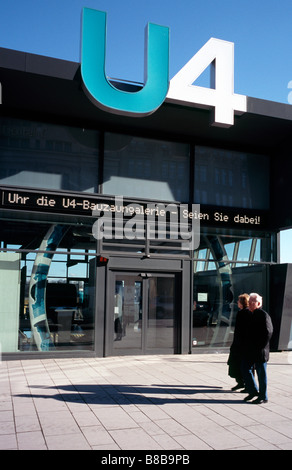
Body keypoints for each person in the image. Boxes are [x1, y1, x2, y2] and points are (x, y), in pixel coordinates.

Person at [241, 293, 273, 404]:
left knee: (261, 374)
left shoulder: (263, 315)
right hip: (251, 350)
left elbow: (268, 332)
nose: (249, 304)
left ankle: (263, 396)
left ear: (258, 304)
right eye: (249, 302)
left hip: (260, 351)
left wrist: (260, 346)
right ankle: (253, 391)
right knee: (245, 368)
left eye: (252, 302)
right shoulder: (251, 314)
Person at [228, 294, 250, 391]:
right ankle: (241, 382)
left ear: (242, 302)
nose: (237, 302)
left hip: (241, 345)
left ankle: (244, 383)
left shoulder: (244, 313)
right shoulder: (242, 312)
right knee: (236, 364)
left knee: (239, 364)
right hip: (239, 344)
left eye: (239, 301)